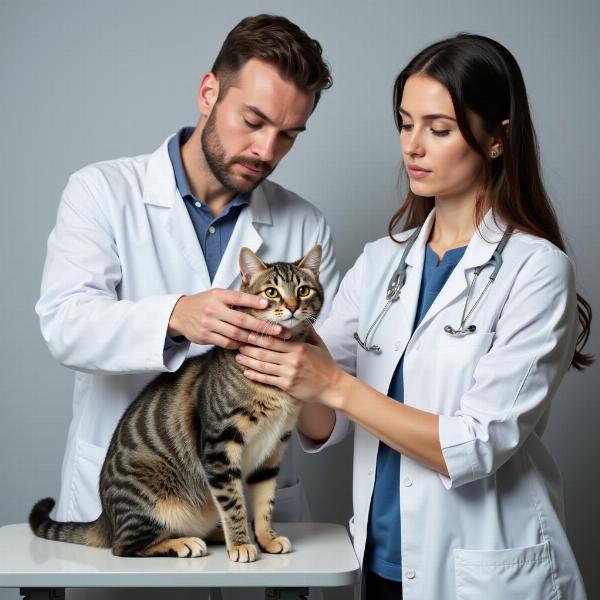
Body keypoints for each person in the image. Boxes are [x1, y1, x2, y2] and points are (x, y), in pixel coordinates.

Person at [236, 34, 592, 599]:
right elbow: (322, 425)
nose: (414, 147)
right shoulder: (382, 262)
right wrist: (284, 358)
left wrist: (333, 383)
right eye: (405, 124)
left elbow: (478, 444)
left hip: (483, 569)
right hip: (379, 560)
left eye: (439, 128)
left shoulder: (538, 269)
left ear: (496, 140)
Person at [35, 13, 338, 600]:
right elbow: (64, 325)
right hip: (149, 499)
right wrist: (175, 315)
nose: (265, 149)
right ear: (208, 93)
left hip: (257, 508)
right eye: (253, 121)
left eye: (289, 135)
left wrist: (314, 369)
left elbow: (327, 404)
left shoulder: (305, 224)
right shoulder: (101, 191)